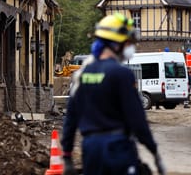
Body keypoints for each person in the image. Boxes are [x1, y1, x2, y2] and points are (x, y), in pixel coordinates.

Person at [61, 13, 166, 175]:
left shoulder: (82, 75)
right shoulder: (121, 74)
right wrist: (154, 151)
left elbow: (70, 119)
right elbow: (137, 120)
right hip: (117, 149)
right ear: (117, 44)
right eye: (129, 43)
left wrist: (67, 156)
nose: (131, 47)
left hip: (90, 151)